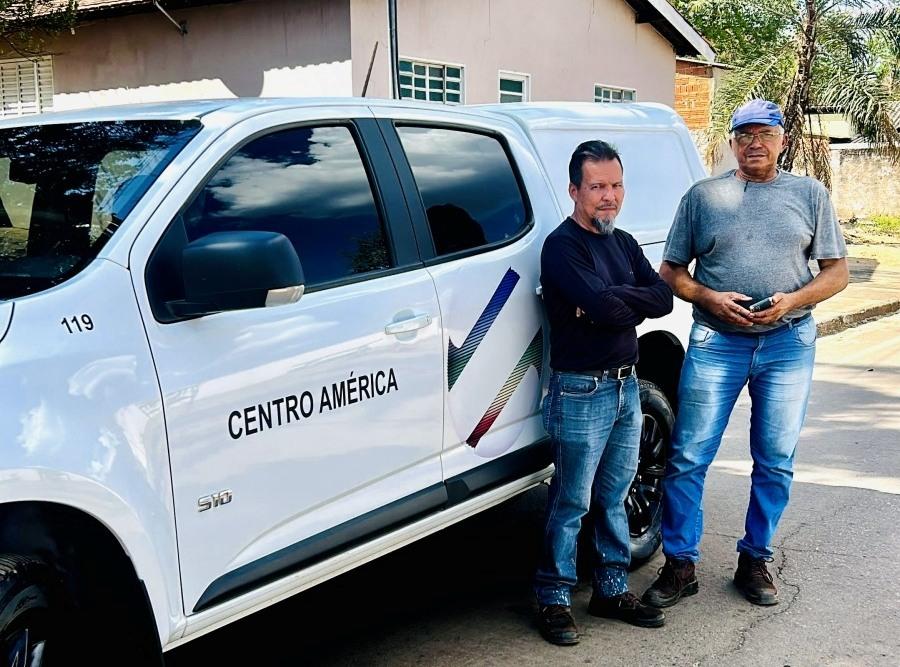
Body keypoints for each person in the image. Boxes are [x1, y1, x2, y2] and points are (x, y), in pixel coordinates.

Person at [643, 99, 849, 610]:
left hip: (788, 342)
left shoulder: (809, 194)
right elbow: (672, 272)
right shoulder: (704, 197)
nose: (755, 142)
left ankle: (754, 557)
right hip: (717, 342)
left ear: (782, 140)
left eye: (766, 133)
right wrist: (710, 298)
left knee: (775, 460)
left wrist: (791, 302)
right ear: (732, 141)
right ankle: (680, 563)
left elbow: (836, 273)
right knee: (689, 455)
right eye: (745, 134)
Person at [534, 140, 673, 645]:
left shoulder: (625, 241)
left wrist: (610, 302)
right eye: (597, 187)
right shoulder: (562, 246)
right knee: (571, 501)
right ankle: (553, 597)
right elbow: (615, 307)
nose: (608, 197)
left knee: (613, 496)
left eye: (615, 186)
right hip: (581, 392)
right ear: (575, 190)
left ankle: (612, 589)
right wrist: (611, 304)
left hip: (625, 386)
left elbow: (661, 296)